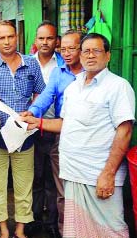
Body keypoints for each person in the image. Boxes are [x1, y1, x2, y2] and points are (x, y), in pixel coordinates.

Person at [21, 33, 134, 238]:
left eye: (96, 50)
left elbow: (125, 130)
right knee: (78, 231)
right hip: (73, 172)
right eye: (86, 51)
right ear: (80, 56)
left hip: (98, 174)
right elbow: (65, 123)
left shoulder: (118, 86)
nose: (90, 55)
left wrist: (108, 173)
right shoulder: (73, 87)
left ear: (108, 55)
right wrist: (38, 122)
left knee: (110, 230)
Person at [0, 20, 46, 238]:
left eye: (11, 37)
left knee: (24, 185)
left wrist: (33, 113)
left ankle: (20, 229)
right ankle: (4, 230)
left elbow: (40, 94)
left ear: (17, 37)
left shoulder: (30, 63)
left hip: (24, 134)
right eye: (2, 38)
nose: (7, 42)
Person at [24, 30, 84, 236]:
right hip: (62, 133)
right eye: (64, 49)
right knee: (61, 186)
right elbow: (46, 96)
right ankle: (62, 228)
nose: (67, 53)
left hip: (88, 139)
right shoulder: (59, 72)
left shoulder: (91, 73)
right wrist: (32, 111)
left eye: (72, 49)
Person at [25, 21, 65, 238]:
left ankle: (51, 221)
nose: (45, 42)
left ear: (56, 41)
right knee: (34, 176)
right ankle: (33, 219)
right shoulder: (27, 63)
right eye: (41, 38)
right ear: (35, 40)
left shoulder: (63, 65)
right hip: (30, 128)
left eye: (50, 38)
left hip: (56, 127)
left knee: (53, 178)